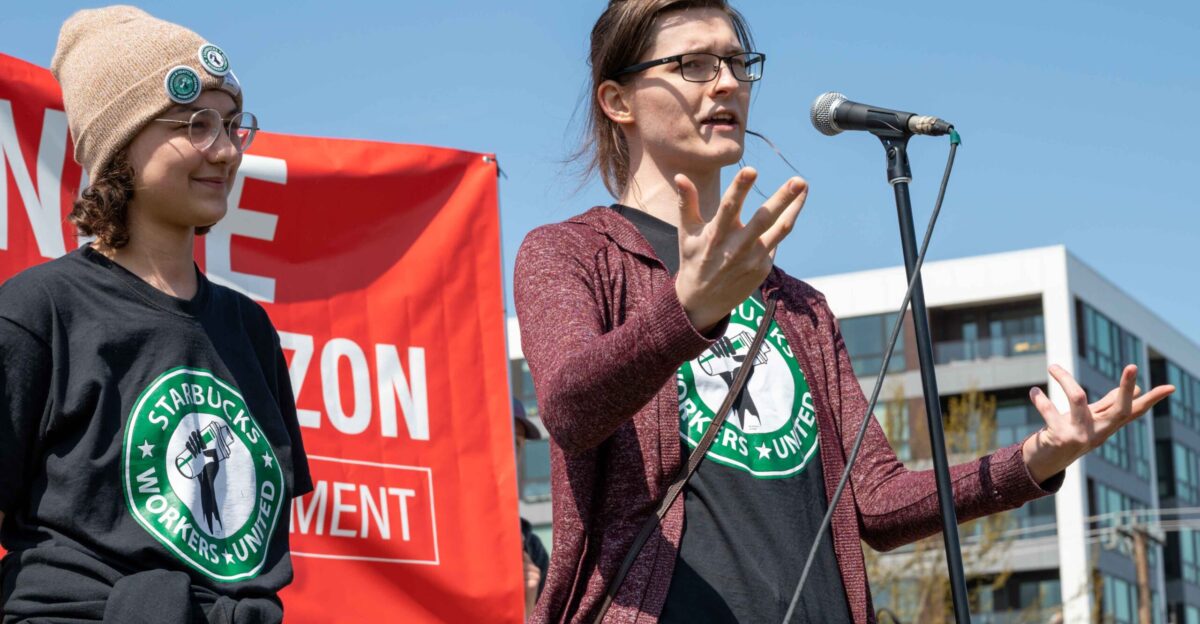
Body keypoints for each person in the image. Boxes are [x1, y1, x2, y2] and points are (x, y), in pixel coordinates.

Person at [512, 1, 1176, 623]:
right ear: (617, 99)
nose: (726, 84)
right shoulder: (570, 255)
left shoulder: (798, 305)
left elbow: (878, 501)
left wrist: (1035, 458)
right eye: (693, 64)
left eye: (738, 64)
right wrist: (686, 311)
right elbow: (571, 408)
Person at [0, 7, 311, 622]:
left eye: (231, 124)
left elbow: (258, 550)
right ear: (119, 145)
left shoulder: (250, 331)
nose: (223, 150)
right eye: (194, 125)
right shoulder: (37, 313)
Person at [514, 398, 550, 617]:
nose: (507, 451)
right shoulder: (435, 532)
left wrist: (526, 612)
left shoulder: (531, 548)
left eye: (516, 443)